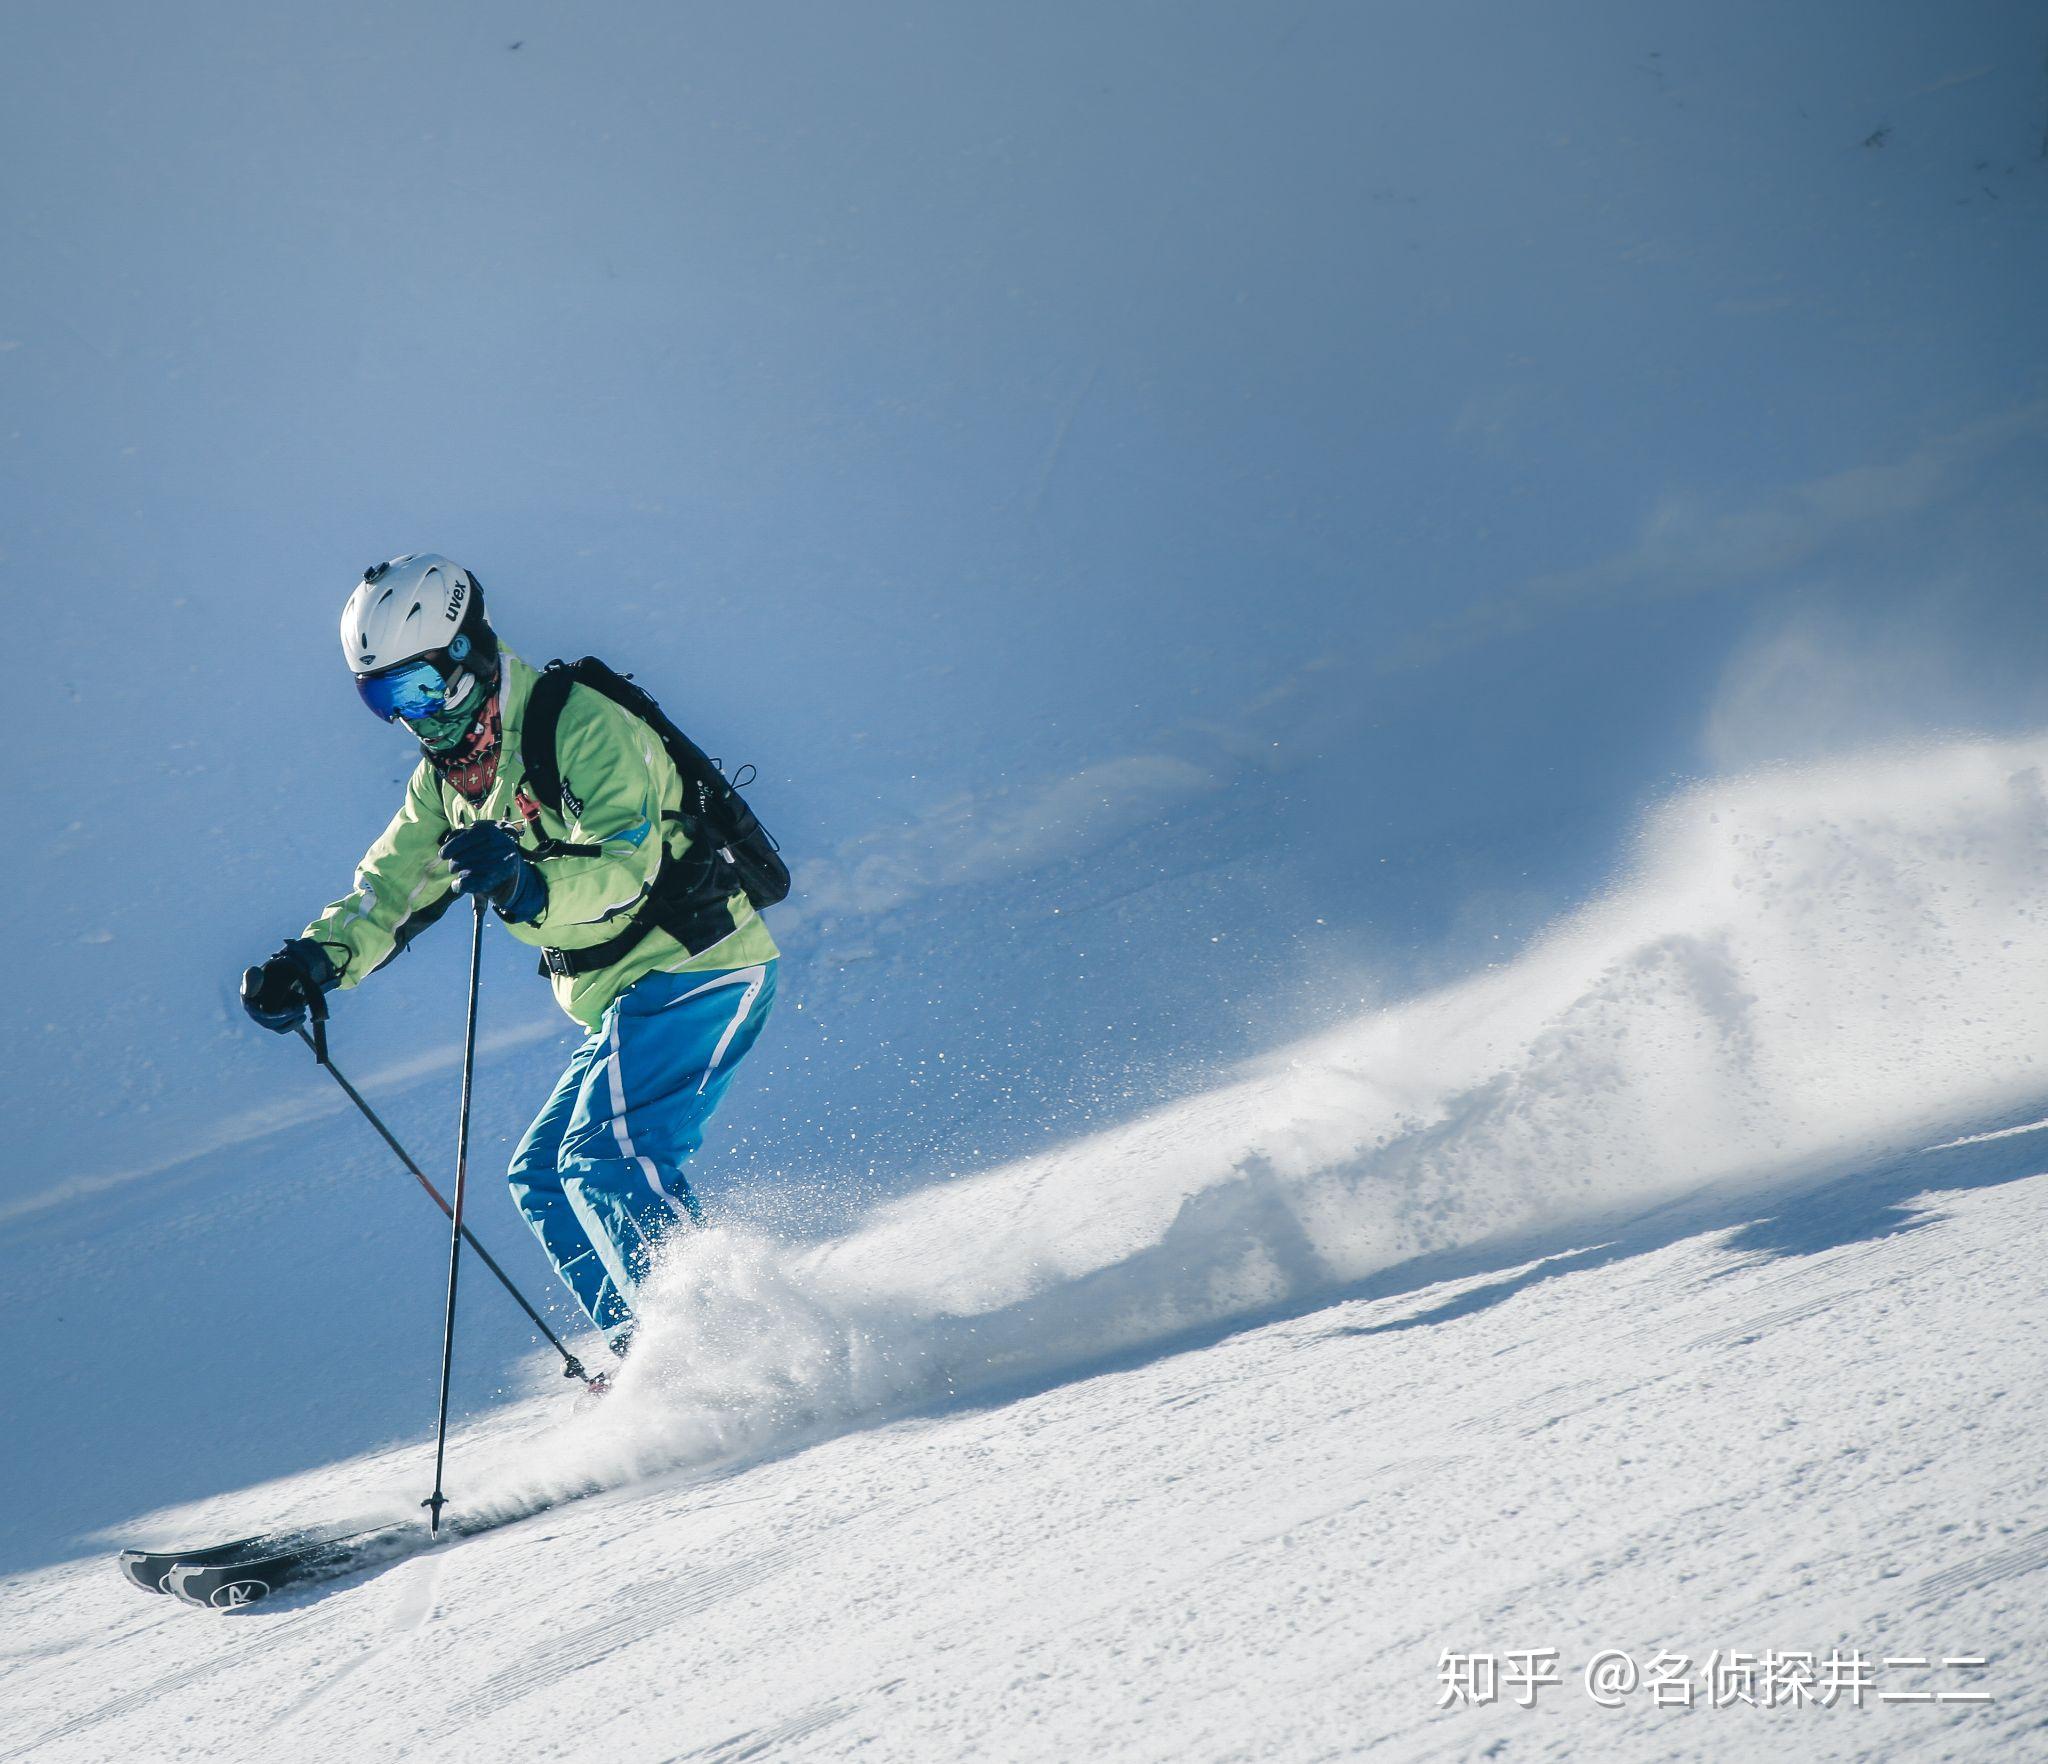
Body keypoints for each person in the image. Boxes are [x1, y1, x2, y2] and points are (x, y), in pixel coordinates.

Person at [240, 554, 779, 1360]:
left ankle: (723, 1358)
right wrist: (314, 962)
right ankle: (650, 1365)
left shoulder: (580, 723)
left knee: (605, 1158)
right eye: (384, 700)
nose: (412, 718)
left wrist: (529, 885)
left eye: (417, 688)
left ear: (464, 655)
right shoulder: (448, 784)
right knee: (542, 1179)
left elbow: (625, 865)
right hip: (621, 995)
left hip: (697, 964)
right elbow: (390, 890)